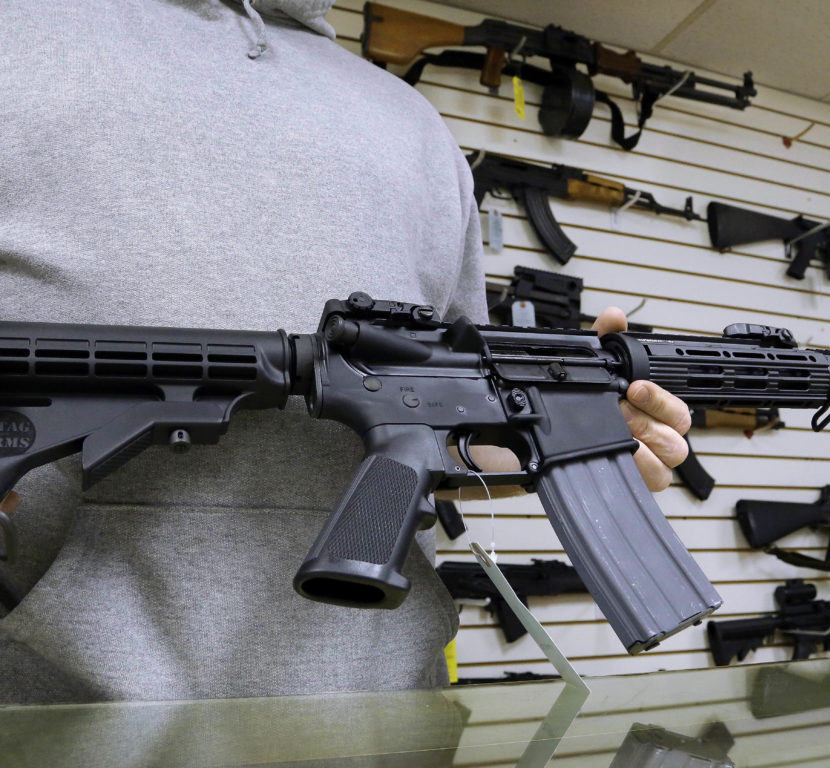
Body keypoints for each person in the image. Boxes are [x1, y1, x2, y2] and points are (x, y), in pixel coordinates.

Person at [0, 0, 690, 704]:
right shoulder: (23, 37)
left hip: (385, 712)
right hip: (59, 715)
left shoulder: (416, 126)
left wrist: (574, 436)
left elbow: (441, 409)